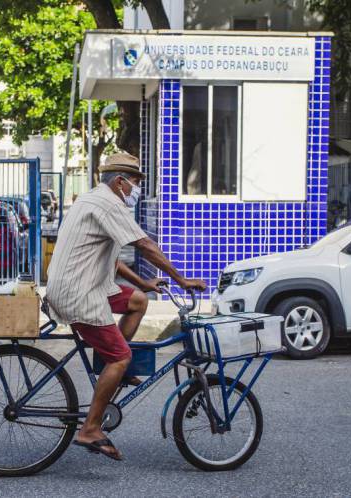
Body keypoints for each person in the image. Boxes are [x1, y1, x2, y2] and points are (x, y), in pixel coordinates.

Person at [45, 152, 207, 461]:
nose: (137, 188)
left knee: (138, 300)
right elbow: (144, 245)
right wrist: (181, 279)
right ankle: (91, 427)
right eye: (135, 182)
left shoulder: (94, 198)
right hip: (79, 293)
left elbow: (113, 257)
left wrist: (144, 284)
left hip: (85, 283)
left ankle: (111, 368)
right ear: (120, 182)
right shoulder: (109, 204)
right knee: (121, 357)